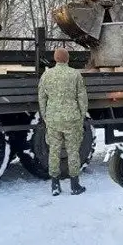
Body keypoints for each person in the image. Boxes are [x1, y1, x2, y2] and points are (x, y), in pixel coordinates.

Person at [37, 48, 88, 196]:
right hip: (72, 118)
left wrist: (45, 115)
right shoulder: (75, 74)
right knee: (73, 151)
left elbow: (42, 97)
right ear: (67, 59)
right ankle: (75, 185)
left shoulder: (47, 75)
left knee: (54, 151)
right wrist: (82, 114)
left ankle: (55, 185)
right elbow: (82, 97)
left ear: (55, 59)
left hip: (53, 118)